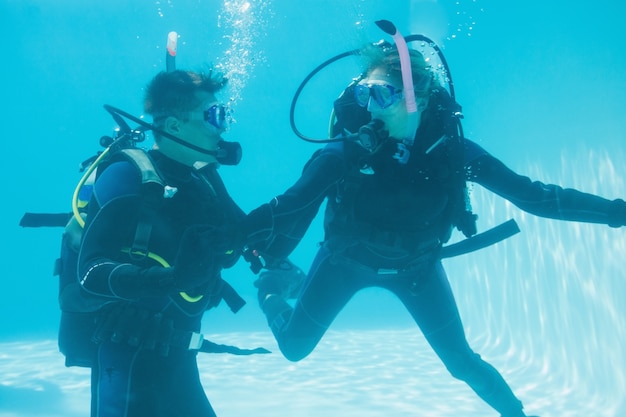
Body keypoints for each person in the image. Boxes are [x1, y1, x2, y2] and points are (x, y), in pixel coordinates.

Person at [243, 30, 626, 417]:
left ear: (419, 99)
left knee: (462, 363)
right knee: (293, 348)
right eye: (365, 94)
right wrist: (244, 233)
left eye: (383, 95)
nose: (371, 109)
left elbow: (537, 197)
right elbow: (293, 202)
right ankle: (275, 289)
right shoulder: (345, 150)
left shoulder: (453, 153)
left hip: (417, 270)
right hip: (343, 263)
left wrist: (617, 212)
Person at [77, 69, 250, 417]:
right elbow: (89, 272)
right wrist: (170, 280)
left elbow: (238, 238)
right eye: (215, 116)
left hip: (181, 357)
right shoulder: (128, 176)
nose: (224, 127)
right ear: (173, 127)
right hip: (126, 358)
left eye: (225, 115)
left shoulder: (206, 183)